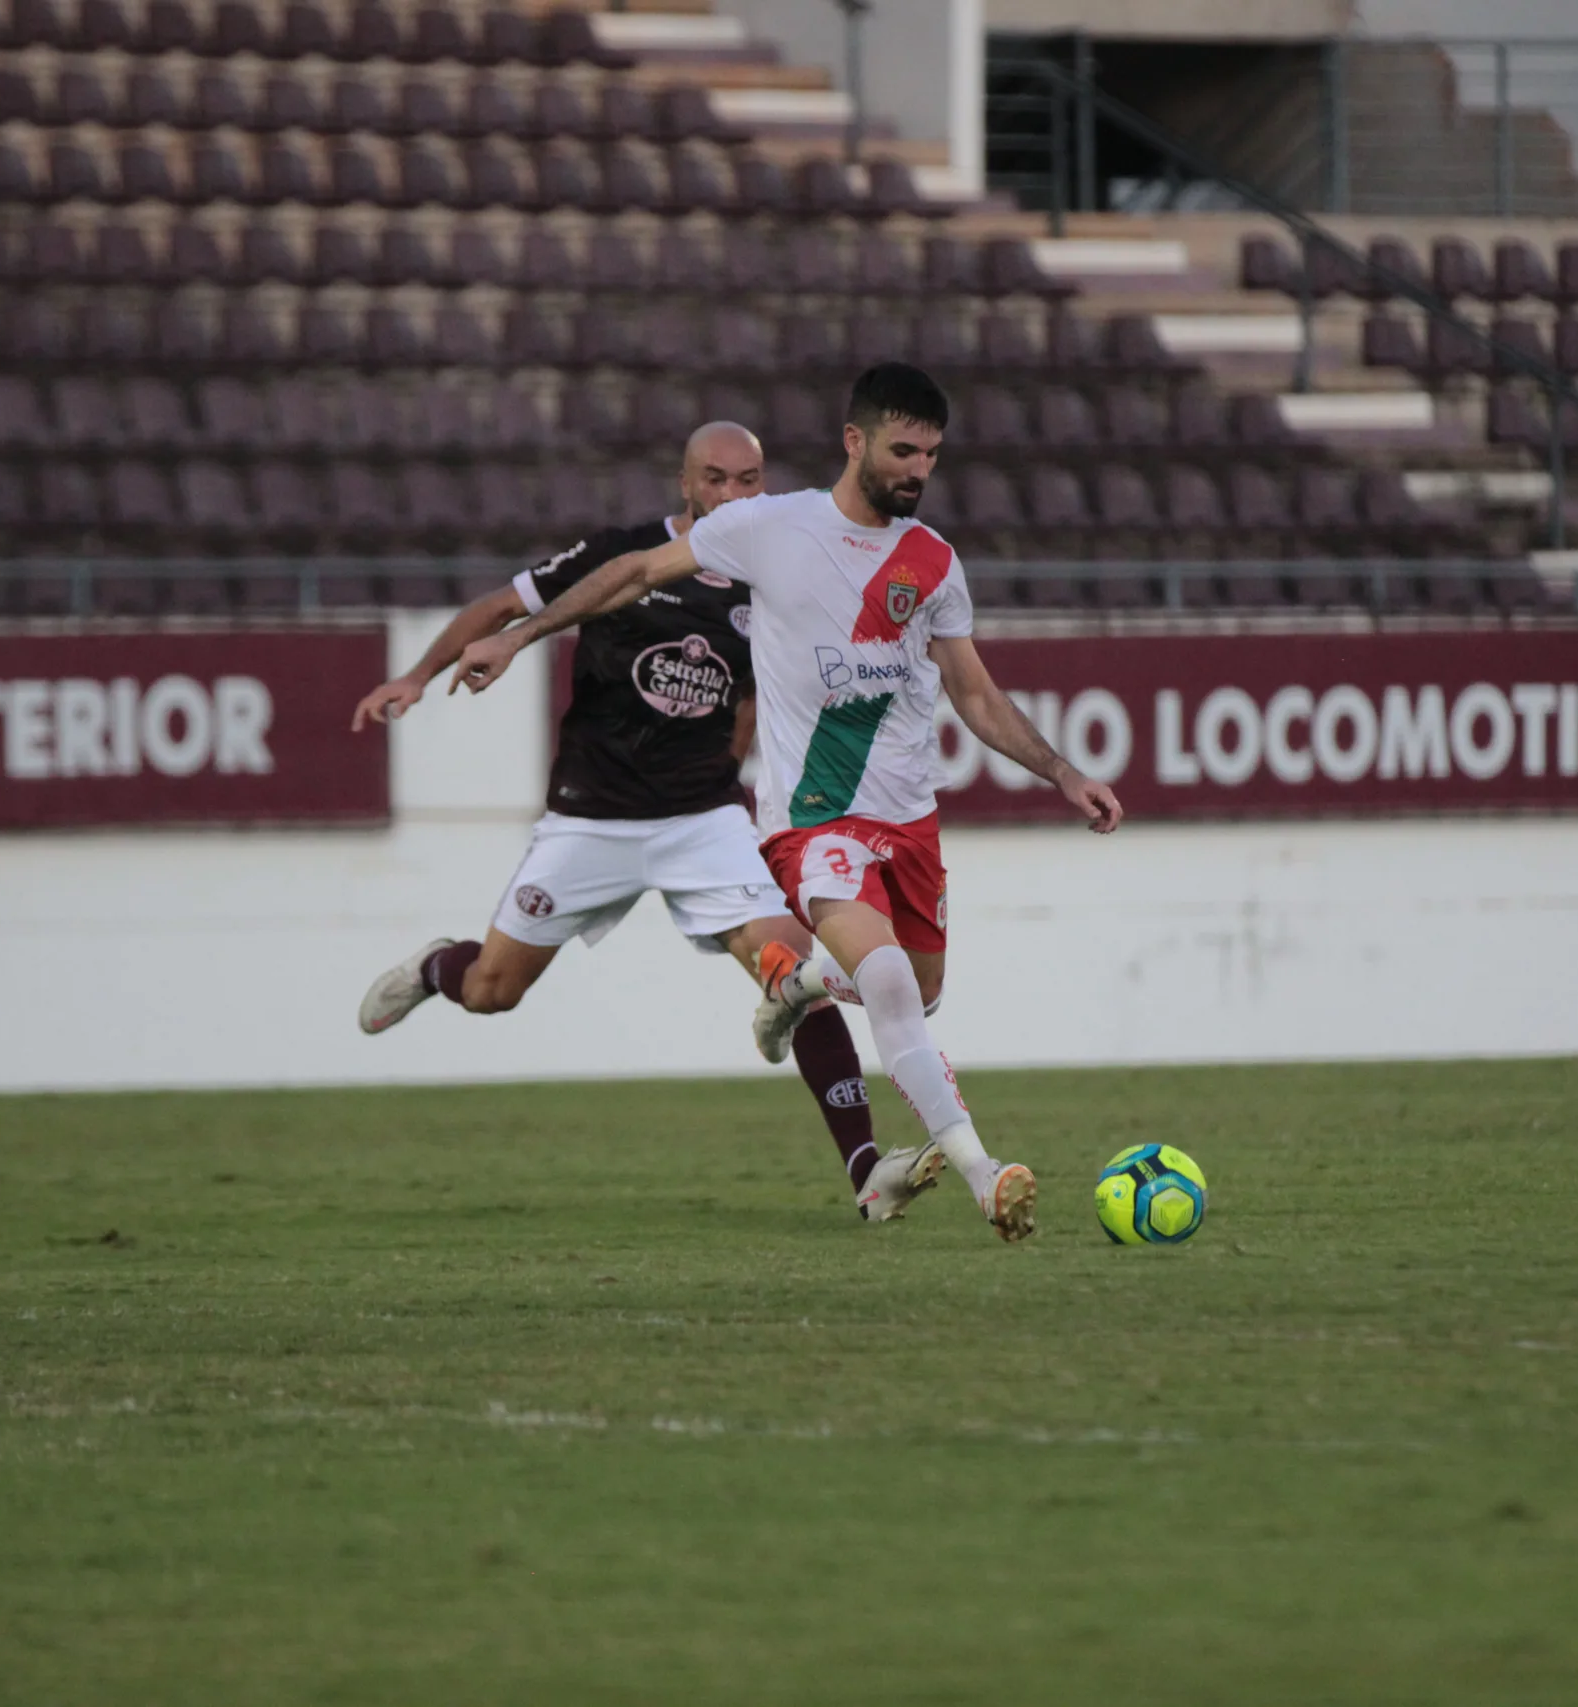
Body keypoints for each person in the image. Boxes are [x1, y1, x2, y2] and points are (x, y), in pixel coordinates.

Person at [446, 363, 1126, 1242]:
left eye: (931, 454)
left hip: (908, 820)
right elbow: (635, 571)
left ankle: (803, 980)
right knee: (886, 983)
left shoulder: (933, 563)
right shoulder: (770, 527)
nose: (918, 469)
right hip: (813, 818)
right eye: (902, 449)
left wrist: (1065, 773)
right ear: (855, 441)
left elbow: (977, 694)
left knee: (921, 991)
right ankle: (984, 1173)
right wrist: (519, 637)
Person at [349, 422, 928, 1223]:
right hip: (591, 816)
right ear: (686, 484)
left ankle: (867, 1170)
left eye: (750, 480)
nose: (733, 495)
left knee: (795, 975)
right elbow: (499, 604)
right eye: (717, 480)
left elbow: (768, 693)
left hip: (702, 820)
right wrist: (418, 675)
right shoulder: (623, 554)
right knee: (491, 990)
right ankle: (436, 967)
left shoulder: (772, 572)